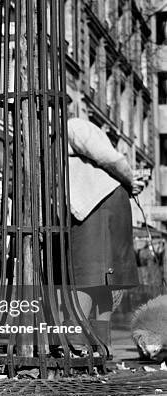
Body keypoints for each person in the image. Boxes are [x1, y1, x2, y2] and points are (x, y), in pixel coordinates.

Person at [66, 101, 145, 350]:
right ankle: (94, 344)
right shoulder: (46, 136)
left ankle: (82, 343)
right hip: (89, 206)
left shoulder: (74, 126)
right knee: (94, 277)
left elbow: (110, 157)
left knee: (93, 276)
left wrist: (131, 180)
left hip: (100, 204)